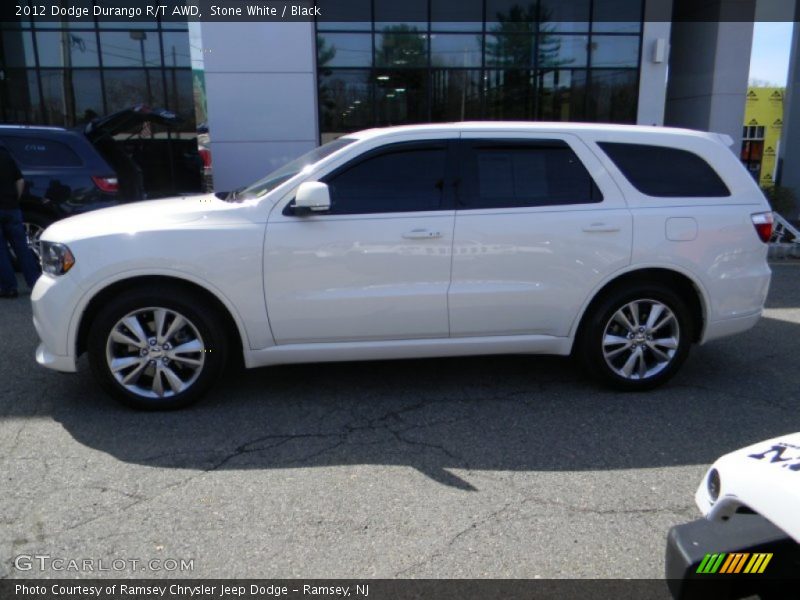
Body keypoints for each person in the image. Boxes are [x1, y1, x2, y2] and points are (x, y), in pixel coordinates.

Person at [0, 144, 40, 298]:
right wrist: (14, 200)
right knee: (22, 248)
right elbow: (20, 181)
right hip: (12, 208)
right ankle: (35, 283)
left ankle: (9, 287)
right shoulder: (5, 153)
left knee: (1, 252)